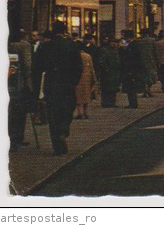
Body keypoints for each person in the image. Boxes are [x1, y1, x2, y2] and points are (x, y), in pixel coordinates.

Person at [31, 22, 83, 155]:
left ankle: (57, 145)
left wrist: (36, 89)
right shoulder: (71, 45)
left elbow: (37, 68)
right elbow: (79, 66)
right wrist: (74, 81)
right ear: (64, 31)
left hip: (52, 83)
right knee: (67, 108)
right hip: (67, 84)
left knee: (53, 113)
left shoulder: (45, 46)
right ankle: (64, 130)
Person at [8, 30, 34, 152]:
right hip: (19, 83)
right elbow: (27, 66)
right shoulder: (24, 45)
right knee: (18, 112)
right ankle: (16, 139)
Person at [120, 30, 144, 109]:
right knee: (131, 87)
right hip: (131, 70)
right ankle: (132, 103)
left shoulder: (133, 45)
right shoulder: (132, 45)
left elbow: (134, 58)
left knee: (131, 87)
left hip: (131, 70)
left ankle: (133, 103)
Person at [74, 41, 97, 120]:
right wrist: (94, 79)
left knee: (78, 96)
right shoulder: (88, 56)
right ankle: (86, 112)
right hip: (87, 77)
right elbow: (92, 68)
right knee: (86, 95)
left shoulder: (75, 56)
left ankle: (79, 113)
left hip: (78, 78)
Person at [97, 37, 122, 108]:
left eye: (115, 42)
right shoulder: (104, 50)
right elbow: (101, 61)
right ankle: (105, 103)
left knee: (114, 88)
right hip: (107, 73)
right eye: (112, 42)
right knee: (106, 88)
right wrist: (106, 69)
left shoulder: (116, 50)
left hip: (115, 72)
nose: (113, 44)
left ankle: (112, 102)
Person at [139, 29, 159, 97]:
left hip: (141, 61)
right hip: (151, 60)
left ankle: (145, 90)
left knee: (143, 76)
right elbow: (155, 51)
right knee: (151, 76)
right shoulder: (152, 41)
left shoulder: (139, 41)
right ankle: (148, 89)